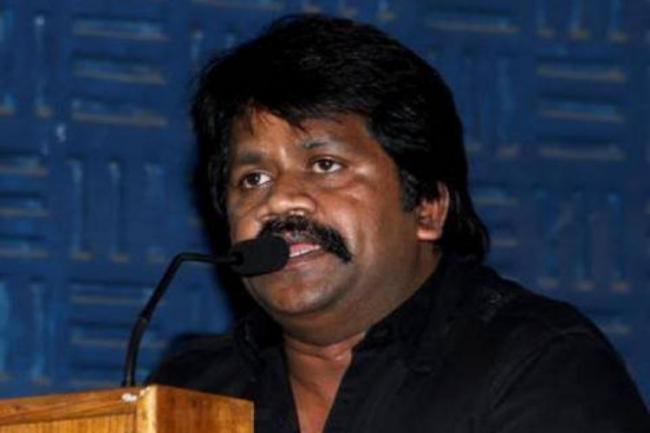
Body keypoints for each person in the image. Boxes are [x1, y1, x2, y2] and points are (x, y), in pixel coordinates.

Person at [149, 14, 649, 433]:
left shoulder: (538, 364)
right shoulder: (191, 390)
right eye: (253, 178)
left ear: (427, 206)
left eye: (324, 165)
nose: (278, 200)